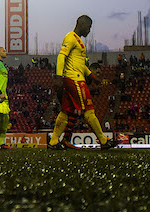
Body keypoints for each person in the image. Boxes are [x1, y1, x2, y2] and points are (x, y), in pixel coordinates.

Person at [49, 15, 116, 150]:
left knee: (66, 112)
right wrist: (58, 76)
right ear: (82, 24)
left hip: (75, 77)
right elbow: (61, 56)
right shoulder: (70, 37)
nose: (89, 30)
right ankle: (103, 140)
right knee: (89, 110)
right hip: (75, 79)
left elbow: (81, 65)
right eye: (89, 27)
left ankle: (54, 141)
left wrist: (92, 76)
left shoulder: (78, 41)